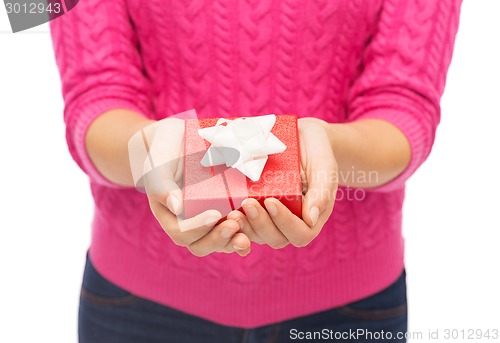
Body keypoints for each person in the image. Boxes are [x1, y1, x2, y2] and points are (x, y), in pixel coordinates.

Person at [50, 0, 461, 342]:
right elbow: (92, 96)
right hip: (135, 307)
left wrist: (323, 149)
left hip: (348, 310)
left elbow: (406, 108)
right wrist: (152, 158)